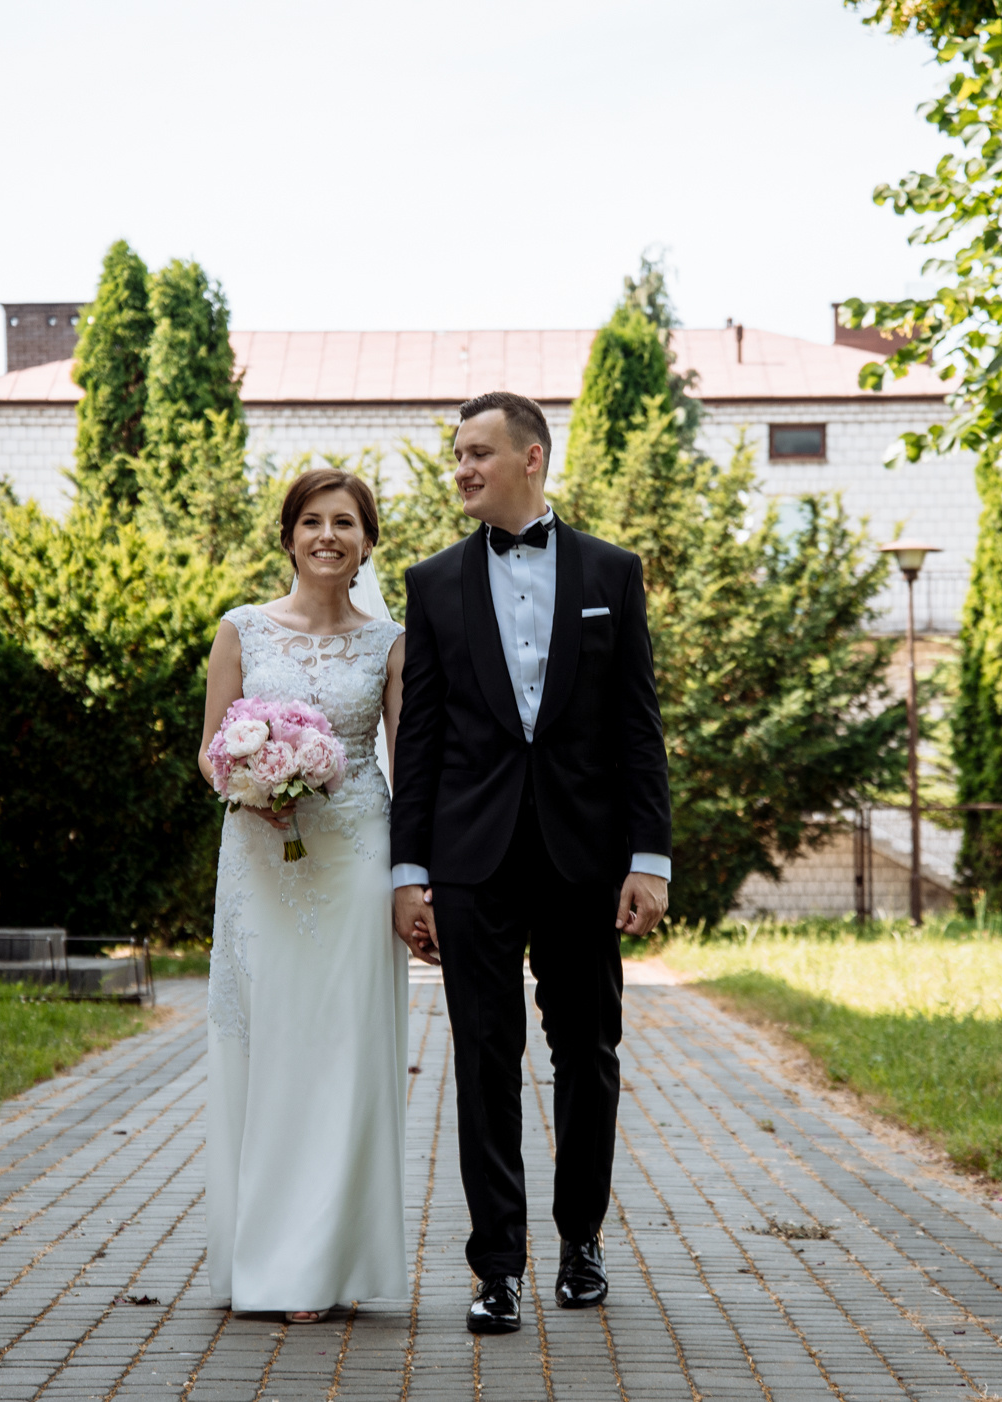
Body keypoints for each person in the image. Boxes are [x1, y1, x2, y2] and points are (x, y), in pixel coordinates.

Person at [388, 391, 673, 1335]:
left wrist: (649, 857)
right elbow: (418, 742)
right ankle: (496, 1268)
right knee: (484, 1061)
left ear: (532, 458)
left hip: (586, 856)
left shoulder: (611, 571)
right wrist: (407, 874)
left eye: (478, 453)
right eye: (456, 455)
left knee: (586, 1055)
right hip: (473, 858)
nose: (462, 469)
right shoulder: (430, 586)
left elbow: (638, 726)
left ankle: (581, 1243)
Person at [198, 468, 408, 1323]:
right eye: (313, 522)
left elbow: (411, 767)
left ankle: (330, 1260)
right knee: (274, 1050)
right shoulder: (240, 631)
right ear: (287, 537)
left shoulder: (391, 644)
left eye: (346, 523)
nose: (329, 536)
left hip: (356, 851)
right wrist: (256, 779)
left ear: (368, 543)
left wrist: (413, 881)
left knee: (345, 1053)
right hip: (261, 860)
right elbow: (210, 753)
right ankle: (269, 1255)